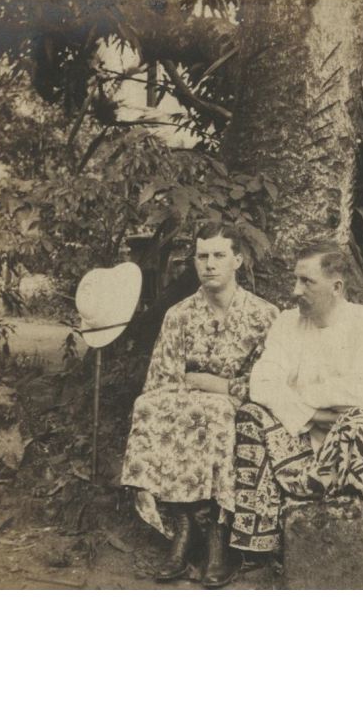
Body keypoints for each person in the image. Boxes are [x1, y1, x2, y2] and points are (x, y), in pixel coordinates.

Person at [230, 240, 363, 588]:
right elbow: (262, 383)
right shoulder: (287, 323)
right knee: (252, 414)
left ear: (337, 287)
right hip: (301, 444)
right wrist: (313, 414)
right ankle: (258, 543)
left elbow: (360, 393)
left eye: (306, 282)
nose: (295, 290)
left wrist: (298, 396)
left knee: (359, 420)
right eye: (296, 279)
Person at [121, 222, 278, 588]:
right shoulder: (179, 315)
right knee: (148, 405)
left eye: (219, 255)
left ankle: (218, 535)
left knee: (217, 411)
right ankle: (184, 525)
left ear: (237, 260)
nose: (209, 264)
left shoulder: (264, 315)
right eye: (202, 256)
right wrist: (194, 392)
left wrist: (220, 386)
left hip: (238, 407)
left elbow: (272, 382)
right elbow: (162, 377)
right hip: (187, 406)